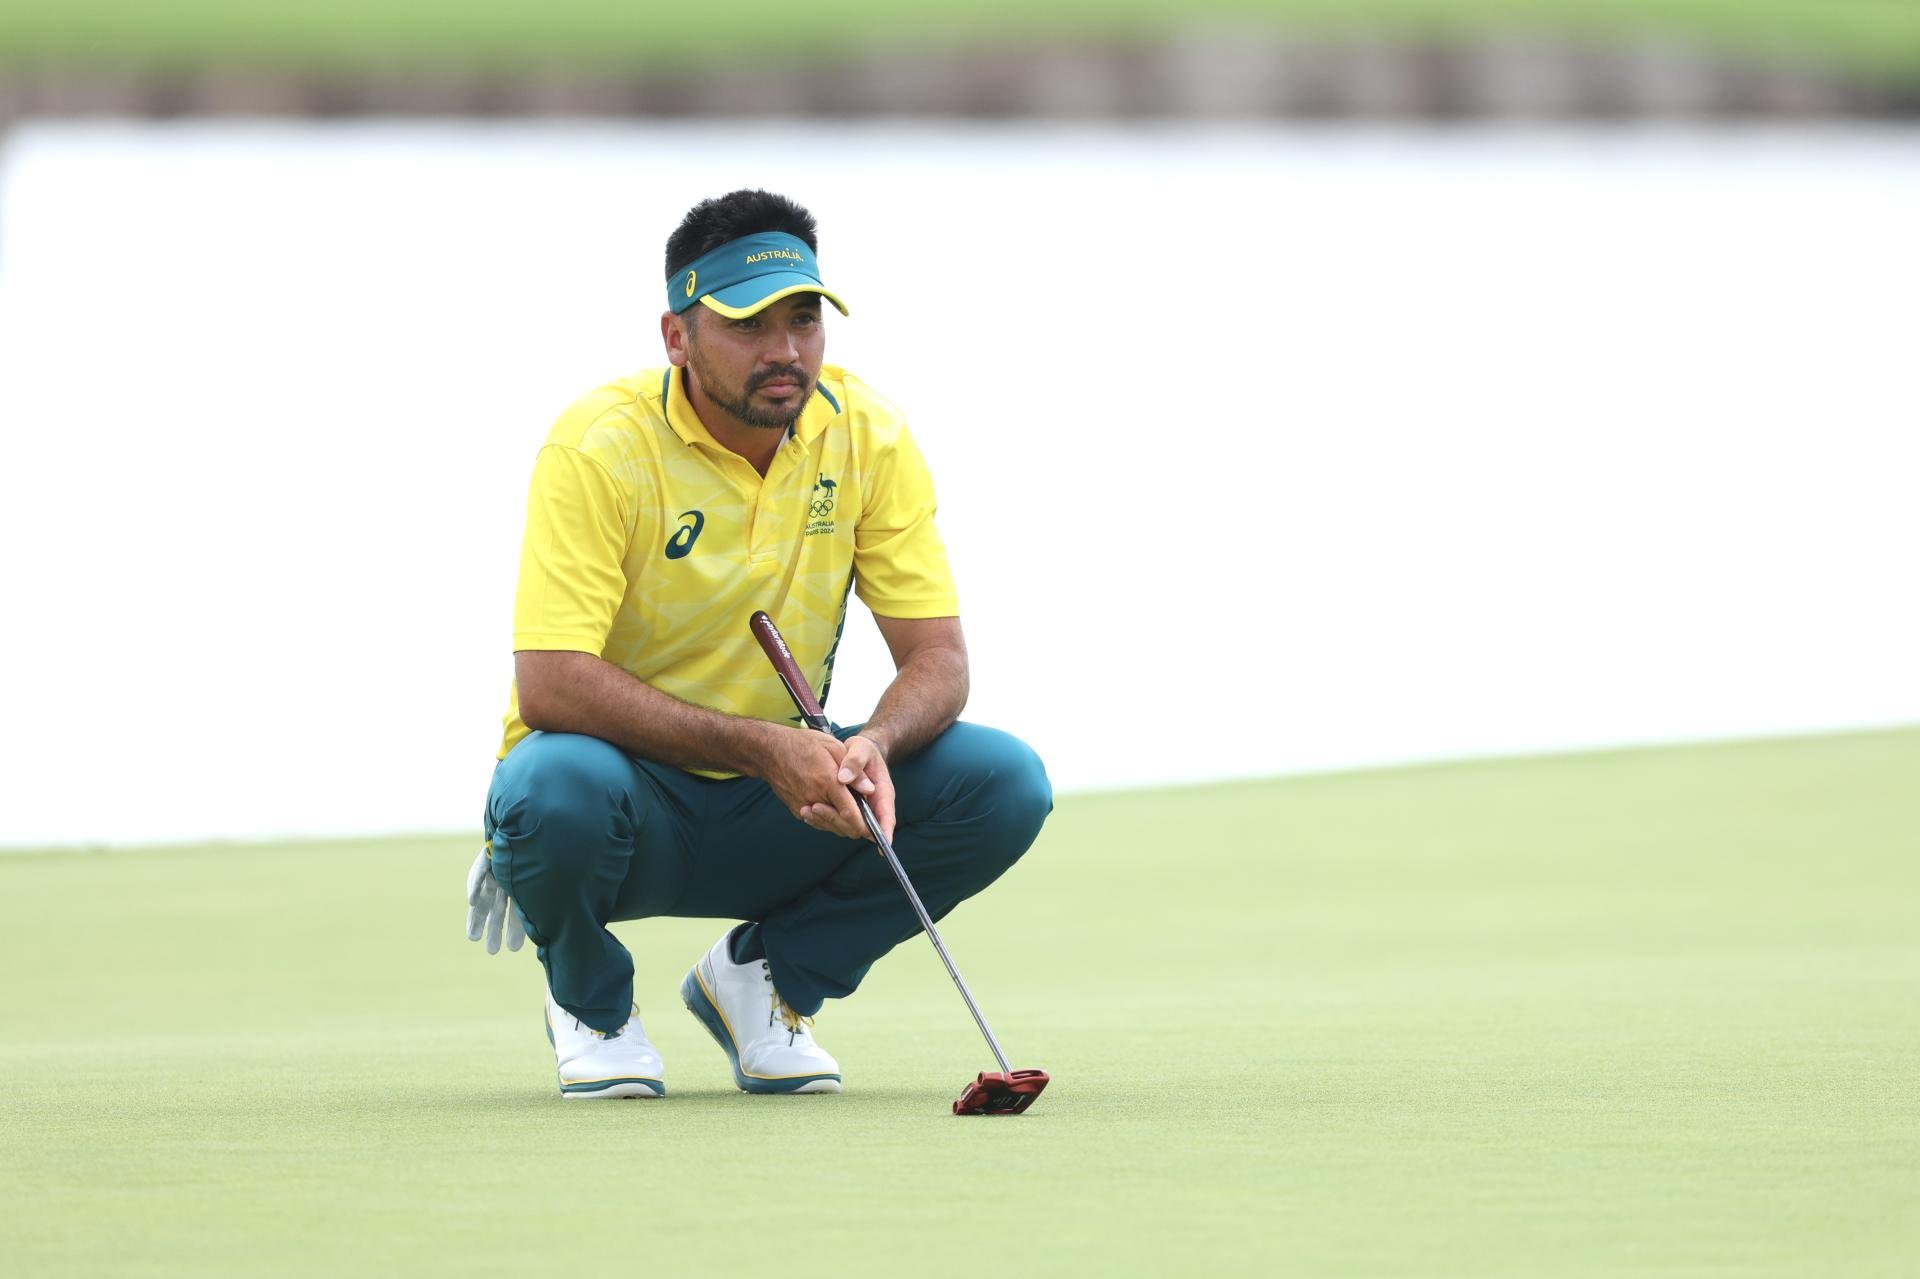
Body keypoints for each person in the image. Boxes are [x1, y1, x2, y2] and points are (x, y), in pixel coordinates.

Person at [463, 189, 1052, 1100]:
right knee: (550, 790)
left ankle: (766, 979)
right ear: (677, 336)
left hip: (784, 806)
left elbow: (938, 660)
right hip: (623, 802)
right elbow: (551, 685)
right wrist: (764, 747)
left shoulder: (867, 434)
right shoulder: (597, 445)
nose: (785, 350)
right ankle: (591, 1001)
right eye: (748, 323)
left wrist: (870, 748)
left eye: (804, 318)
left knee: (1002, 782)